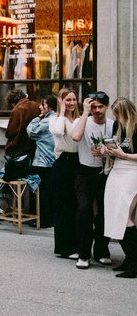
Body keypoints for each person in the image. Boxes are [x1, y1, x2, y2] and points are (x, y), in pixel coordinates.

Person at [70, 91, 114, 270]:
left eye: (100, 107)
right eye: (93, 107)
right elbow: (75, 137)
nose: (97, 110)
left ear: (107, 107)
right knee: (84, 210)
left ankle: (101, 250)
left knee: (104, 213)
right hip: (84, 172)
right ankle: (84, 254)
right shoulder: (82, 121)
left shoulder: (113, 125)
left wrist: (106, 151)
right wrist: (85, 112)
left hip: (105, 172)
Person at [100, 97, 137, 278]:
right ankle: (130, 259)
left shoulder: (136, 127)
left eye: (118, 114)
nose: (115, 117)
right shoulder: (117, 125)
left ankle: (134, 261)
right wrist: (107, 150)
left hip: (132, 171)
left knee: (124, 216)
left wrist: (123, 155)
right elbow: (117, 149)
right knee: (114, 214)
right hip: (117, 170)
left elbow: (129, 154)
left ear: (126, 112)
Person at [48, 88, 81, 259]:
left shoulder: (80, 119)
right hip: (63, 163)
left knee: (77, 206)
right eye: (67, 100)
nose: (72, 103)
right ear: (61, 101)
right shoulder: (54, 119)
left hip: (79, 162)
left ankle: (78, 245)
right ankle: (65, 247)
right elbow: (59, 132)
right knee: (63, 207)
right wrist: (61, 111)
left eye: (74, 99)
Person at [26, 94, 57, 227]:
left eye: (42, 104)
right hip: (54, 160)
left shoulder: (46, 121)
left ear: (49, 107)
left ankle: (44, 220)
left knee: (43, 192)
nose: (39, 106)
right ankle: (51, 219)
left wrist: (37, 118)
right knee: (51, 191)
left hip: (43, 161)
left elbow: (31, 132)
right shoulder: (57, 118)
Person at [5, 89, 40, 160]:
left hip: (19, 148)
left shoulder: (17, 110)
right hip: (34, 146)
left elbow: (10, 133)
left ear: (13, 103)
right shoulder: (36, 105)